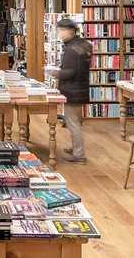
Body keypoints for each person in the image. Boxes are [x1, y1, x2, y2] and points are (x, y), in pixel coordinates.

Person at [46, 18, 92, 164]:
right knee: (75, 121)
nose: (59, 34)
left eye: (60, 30)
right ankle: (75, 148)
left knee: (73, 124)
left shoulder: (72, 49)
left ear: (68, 31)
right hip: (81, 88)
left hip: (73, 90)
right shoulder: (84, 45)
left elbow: (70, 72)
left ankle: (79, 155)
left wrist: (55, 73)